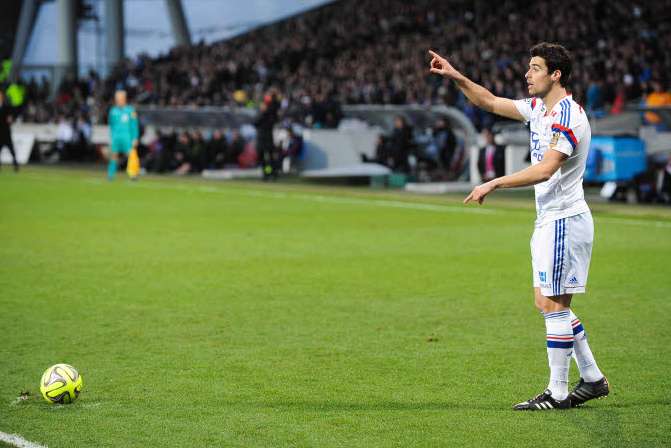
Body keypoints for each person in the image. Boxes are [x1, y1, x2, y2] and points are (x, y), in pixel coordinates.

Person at [429, 43, 608, 411]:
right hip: (548, 220)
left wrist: (493, 182)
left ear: (556, 74)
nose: (527, 74)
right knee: (545, 302)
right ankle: (592, 379)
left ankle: (557, 393)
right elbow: (490, 102)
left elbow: (546, 169)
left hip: (564, 220)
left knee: (555, 306)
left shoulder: (568, 116)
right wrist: (456, 75)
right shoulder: (538, 110)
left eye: (535, 67)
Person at [107, 90, 139, 180]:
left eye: (119, 99)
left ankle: (133, 174)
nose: (118, 101)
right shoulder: (113, 111)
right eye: (116, 99)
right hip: (116, 137)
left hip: (127, 137)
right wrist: (112, 137)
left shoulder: (130, 111)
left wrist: (135, 137)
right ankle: (110, 175)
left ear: (124, 99)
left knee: (132, 155)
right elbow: (111, 125)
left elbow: (134, 125)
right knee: (113, 155)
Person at [0, 91, 19, 171]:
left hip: (6, 132)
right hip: (0, 133)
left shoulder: (7, 107)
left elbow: (11, 117)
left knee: (11, 150)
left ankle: (15, 164)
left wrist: (11, 118)